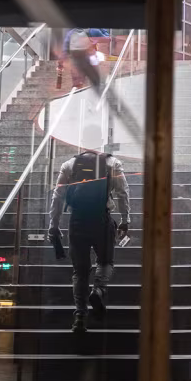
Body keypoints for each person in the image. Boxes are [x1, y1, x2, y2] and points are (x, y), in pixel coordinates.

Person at [48, 125, 130, 333]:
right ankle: (99, 290)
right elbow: (122, 193)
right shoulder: (112, 162)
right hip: (101, 219)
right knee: (105, 261)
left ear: (80, 141)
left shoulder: (69, 164)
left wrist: (54, 225)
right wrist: (125, 219)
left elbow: (57, 196)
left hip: (77, 221)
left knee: (80, 271)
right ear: (100, 140)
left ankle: (80, 318)